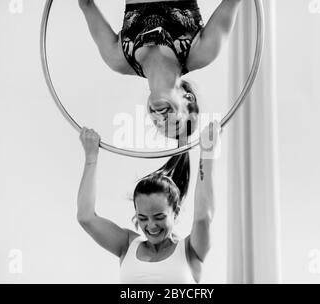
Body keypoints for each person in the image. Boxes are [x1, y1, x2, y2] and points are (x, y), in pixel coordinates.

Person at [74, 0, 243, 139]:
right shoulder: (201, 53)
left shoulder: (118, 59)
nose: (161, 119)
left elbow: (87, 4)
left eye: (158, 125)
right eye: (175, 123)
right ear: (188, 98)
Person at [77, 121, 221, 283]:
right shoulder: (127, 244)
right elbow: (86, 217)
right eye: (143, 218)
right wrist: (91, 158)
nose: (151, 226)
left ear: (176, 212)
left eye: (159, 217)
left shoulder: (190, 250)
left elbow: (203, 217)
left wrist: (208, 153)